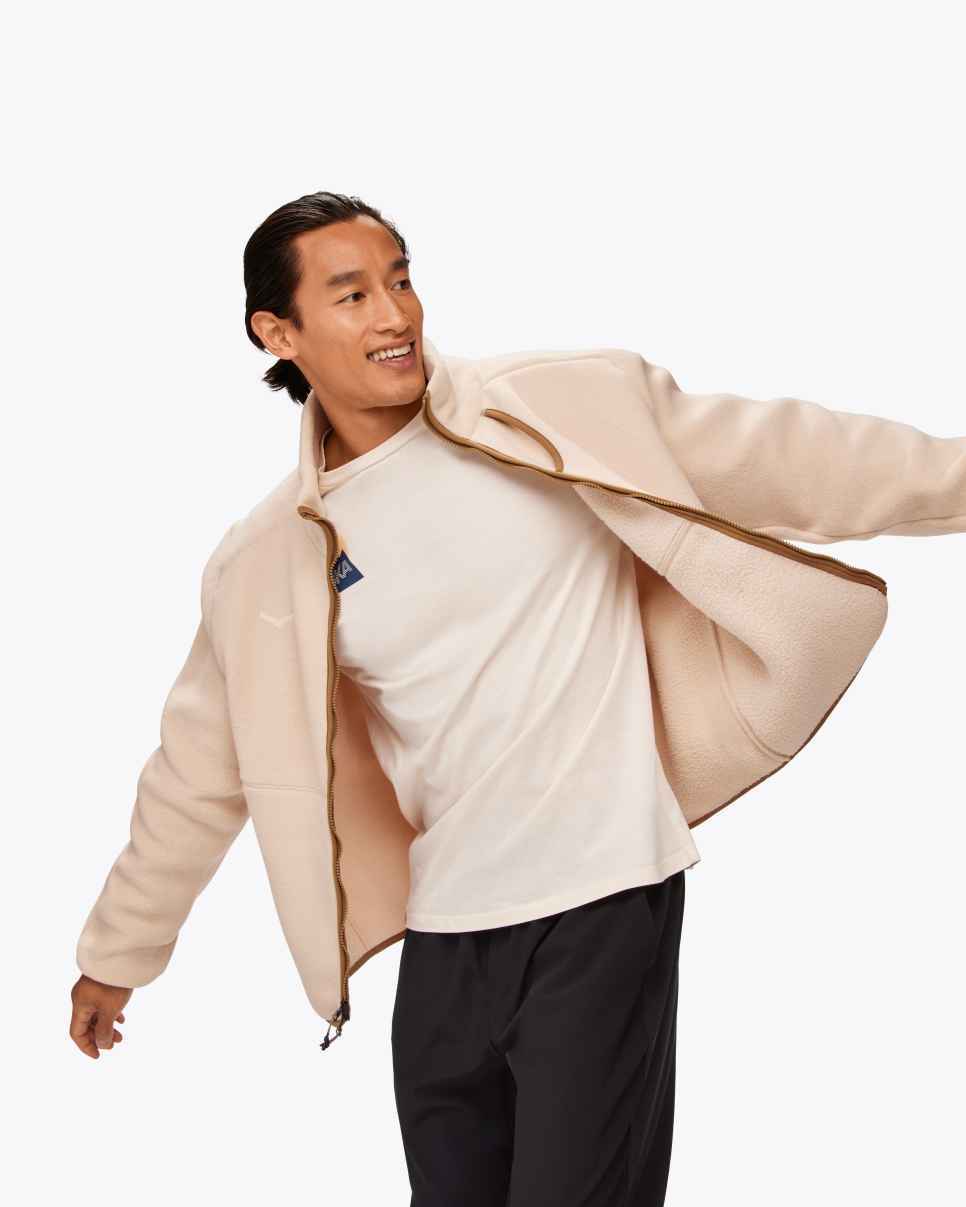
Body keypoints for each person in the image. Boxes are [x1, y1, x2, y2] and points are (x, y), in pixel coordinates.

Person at [70, 191, 966, 1207]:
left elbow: (796, 459)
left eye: (401, 279)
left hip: (602, 902)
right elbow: (198, 769)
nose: (395, 314)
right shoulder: (266, 559)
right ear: (278, 333)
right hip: (445, 935)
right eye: (352, 294)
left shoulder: (550, 408)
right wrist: (118, 954)